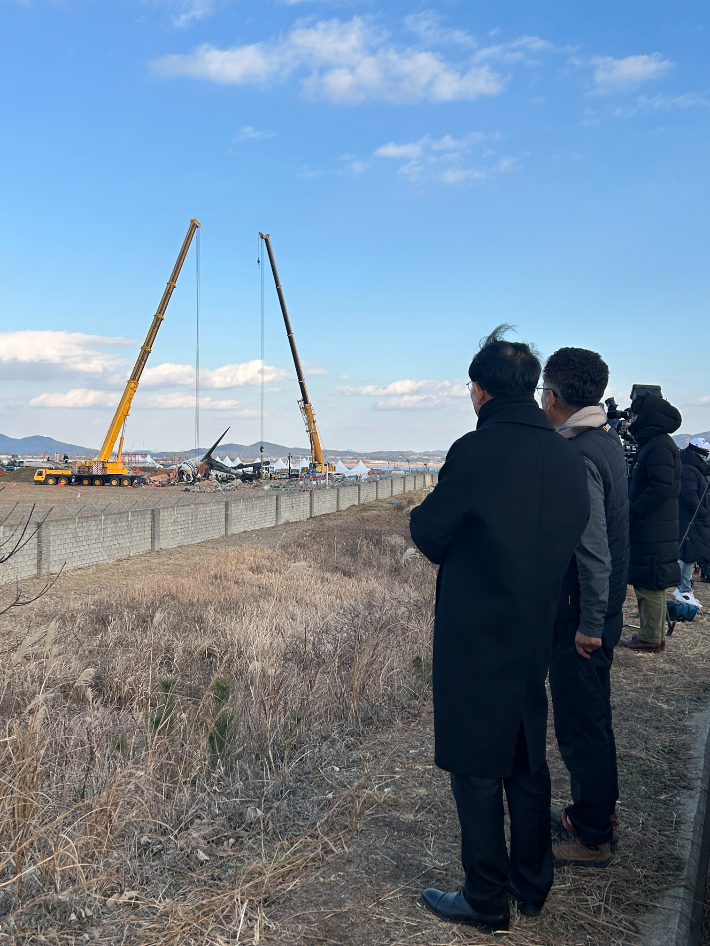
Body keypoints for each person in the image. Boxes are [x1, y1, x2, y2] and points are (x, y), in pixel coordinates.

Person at [409, 326, 589, 933]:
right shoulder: (568, 456)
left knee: (476, 766)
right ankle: (532, 885)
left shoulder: (476, 450)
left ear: (480, 391)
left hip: (476, 633)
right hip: (538, 627)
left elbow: (431, 532)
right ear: (531, 389)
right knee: (525, 759)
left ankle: (485, 898)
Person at [540, 348, 629, 869]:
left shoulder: (576, 455)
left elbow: (592, 549)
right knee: (593, 716)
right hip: (600, 609)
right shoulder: (606, 442)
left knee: (582, 724)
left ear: (552, 396)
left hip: (581, 617)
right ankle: (592, 814)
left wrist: (591, 624)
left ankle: (592, 833)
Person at [620, 392, 682, 653]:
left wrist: (634, 511)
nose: (632, 420)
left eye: (635, 415)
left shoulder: (658, 445)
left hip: (653, 527)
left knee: (650, 583)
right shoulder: (658, 443)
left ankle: (650, 638)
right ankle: (652, 634)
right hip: (654, 526)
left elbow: (660, 486)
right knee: (647, 581)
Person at [674, 438, 710, 605]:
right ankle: (683, 589)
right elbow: (690, 496)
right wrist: (703, 512)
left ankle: (684, 587)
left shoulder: (693, 467)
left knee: (691, 553)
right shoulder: (689, 470)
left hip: (694, 518)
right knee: (689, 554)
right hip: (692, 519)